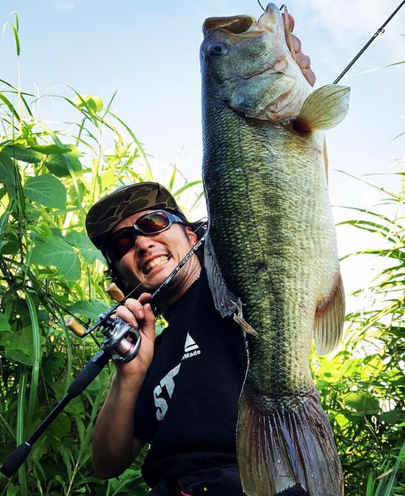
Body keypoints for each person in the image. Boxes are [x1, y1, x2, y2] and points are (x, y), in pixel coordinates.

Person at [86, 18, 316, 496]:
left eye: (151, 225)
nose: (141, 244)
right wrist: (130, 373)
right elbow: (108, 461)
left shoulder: (228, 274)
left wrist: (291, 95)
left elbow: (273, 209)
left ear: (190, 232)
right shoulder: (150, 351)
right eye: (122, 245)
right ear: (120, 274)